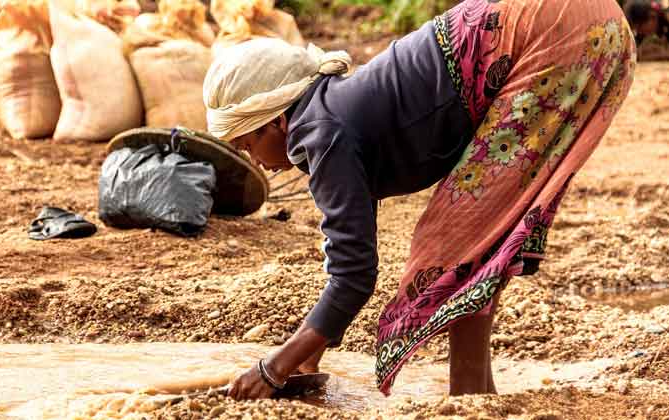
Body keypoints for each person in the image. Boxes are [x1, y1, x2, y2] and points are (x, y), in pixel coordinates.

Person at [203, 0, 636, 400]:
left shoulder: (320, 133)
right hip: (588, 22)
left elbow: (354, 275)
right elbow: (346, 251)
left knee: (457, 243)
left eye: (246, 146)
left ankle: (468, 399)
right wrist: (308, 352)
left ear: (277, 121)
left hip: (553, 31)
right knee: (478, 239)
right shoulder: (334, 114)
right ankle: (476, 394)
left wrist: (274, 367)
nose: (255, 162)